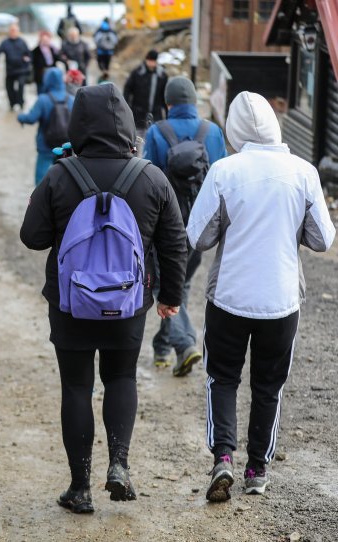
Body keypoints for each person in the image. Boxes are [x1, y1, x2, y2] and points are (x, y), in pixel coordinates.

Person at [20, 84, 187, 513]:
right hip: (128, 303)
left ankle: (80, 489)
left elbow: (32, 237)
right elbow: (174, 243)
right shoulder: (150, 176)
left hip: (71, 303)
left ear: (79, 124)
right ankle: (119, 465)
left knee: (76, 387)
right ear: (127, 124)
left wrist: (53, 189)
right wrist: (169, 295)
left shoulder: (61, 174)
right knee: (121, 378)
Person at [187, 92, 335, 502]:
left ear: (234, 130)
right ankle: (257, 469)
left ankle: (223, 458)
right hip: (282, 299)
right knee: (269, 386)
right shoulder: (304, 173)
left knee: (223, 378)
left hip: (230, 296)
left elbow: (197, 238)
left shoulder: (224, 172)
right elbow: (323, 239)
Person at [143, 76, 227, 375]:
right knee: (181, 284)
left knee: (161, 288)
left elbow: (146, 178)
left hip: (166, 226)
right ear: (193, 101)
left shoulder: (156, 131)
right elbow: (223, 178)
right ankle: (163, 350)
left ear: (168, 104)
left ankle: (186, 344)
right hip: (201, 226)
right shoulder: (213, 132)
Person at [17, 67, 75, 185]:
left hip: (45, 145)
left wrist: (20, 117)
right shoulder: (72, 99)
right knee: (65, 178)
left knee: (40, 181)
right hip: (66, 146)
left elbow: (31, 119)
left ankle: (41, 202)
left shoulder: (43, 99)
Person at [123, 49, 168, 155]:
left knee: (154, 138)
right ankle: (135, 160)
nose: (151, 63)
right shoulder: (137, 73)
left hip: (155, 114)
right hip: (138, 113)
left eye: (154, 61)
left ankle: (150, 160)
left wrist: (167, 114)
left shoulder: (162, 75)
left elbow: (165, 96)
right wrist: (126, 107)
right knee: (136, 140)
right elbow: (127, 89)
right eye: (150, 60)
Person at [0, 23, 32, 111]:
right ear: (9, 32)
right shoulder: (5, 42)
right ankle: (12, 104)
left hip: (22, 70)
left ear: (18, 32)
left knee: (21, 86)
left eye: (15, 31)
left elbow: (29, 54)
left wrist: (28, 62)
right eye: (12, 31)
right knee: (9, 88)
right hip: (10, 70)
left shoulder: (22, 42)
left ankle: (21, 103)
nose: (13, 32)